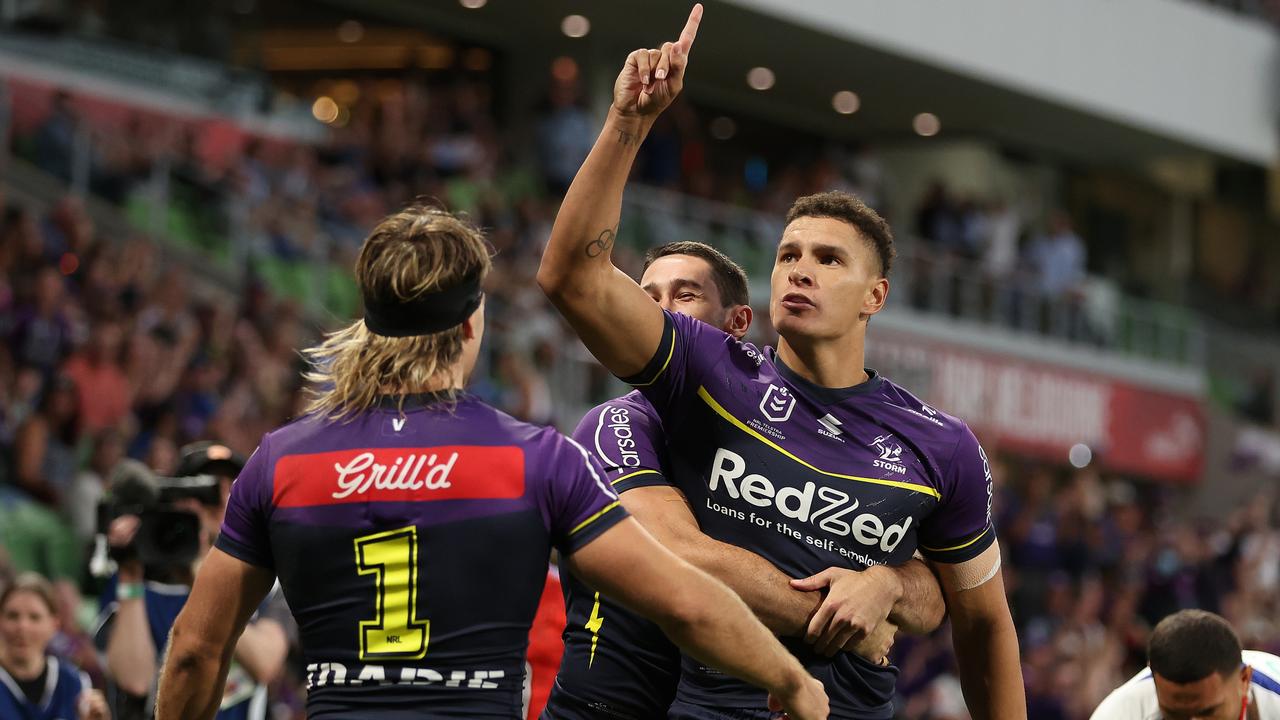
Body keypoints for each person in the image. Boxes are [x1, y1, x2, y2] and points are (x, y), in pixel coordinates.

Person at [537, 5, 1025, 719]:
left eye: (829, 260)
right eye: (788, 255)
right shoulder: (710, 370)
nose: (801, 270)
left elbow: (979, 620)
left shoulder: (942, 445)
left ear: (875, 296)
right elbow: (573, 280)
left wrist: (890, 585)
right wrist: (630, 125)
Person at [153, 205, 827, 720]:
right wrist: (792, 681)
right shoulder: (534, 461)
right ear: (473, 322)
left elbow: (193, 649)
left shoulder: (282, 461)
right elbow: (685, 604)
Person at [545, 240, 947, 720]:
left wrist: (886, 585)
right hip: (604, 711)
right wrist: (844, 622)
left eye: (684, 296)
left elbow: (928, 589)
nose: (660, 313)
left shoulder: (772, 437)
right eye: (647, 296)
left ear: (736, 326)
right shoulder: (618, 423)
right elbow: (677, 555)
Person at [99, 446, 289, 720]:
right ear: (179, 501)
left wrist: (203, 580)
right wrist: (130, 577)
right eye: (207, 492)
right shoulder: (143, 581)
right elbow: (134, 681)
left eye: (233, 490)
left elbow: (265, 664)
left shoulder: (264, 583)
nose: (222, 500)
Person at [1091, 609, 1280, 720]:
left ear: (1244, 679)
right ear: (1155, 681)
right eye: (1174, 715)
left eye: (1207, 712)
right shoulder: (1119, 714)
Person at [0, 572, 109, 720]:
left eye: (34, 617)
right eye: (13, 616)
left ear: (54, 624)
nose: (23, 627)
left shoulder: (73, 683)